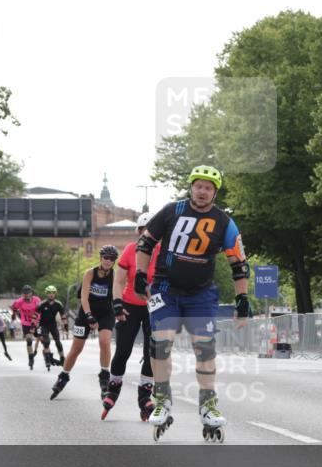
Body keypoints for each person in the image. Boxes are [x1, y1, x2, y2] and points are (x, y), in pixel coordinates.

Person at [133, 165, 252, 442]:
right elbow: (144, 244)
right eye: (198, 185)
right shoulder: (171, 211)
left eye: (208, 188)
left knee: (205, 347)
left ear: (215, 192)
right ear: (191, 187)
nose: (202, 191)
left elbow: (239, 263)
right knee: (160, 343)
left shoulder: (224, 222)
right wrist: (140, 275)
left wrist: (242, 298)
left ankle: (208, 405)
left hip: (200, 293)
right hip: (165, 288)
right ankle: (161, 398)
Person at [103, 212, 161, 421]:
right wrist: (117, 304)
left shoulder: (163, 253)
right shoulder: (130, 250)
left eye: (150, 230)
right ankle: (113, 387)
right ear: (138, 232)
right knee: (123, 349)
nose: (146, 234)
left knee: (151, 351)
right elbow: (118, 281)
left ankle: (145, 394)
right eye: (142, 230)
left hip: (154, 306)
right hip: (129, 305)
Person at [50, 245, 119, 401]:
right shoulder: (90, 273)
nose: (108, 261)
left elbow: (117, 296)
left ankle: (104, 375)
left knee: (105, 342)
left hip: (106, 313)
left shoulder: (114, 276)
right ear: (101, 258)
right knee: (76, 348)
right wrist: (89, 316)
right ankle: (63, 376)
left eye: (112, 259)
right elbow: (84, 298)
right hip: (86, 313)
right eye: (106, 258)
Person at [11, 285, 42, 369]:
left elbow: (40, 310)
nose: (26, 295)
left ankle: (45, 354)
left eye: (28, 293)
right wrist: (14, 314)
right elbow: (14, 307)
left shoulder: (37, 300)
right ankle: (31, 358)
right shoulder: (19, 301)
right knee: (29, 340)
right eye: (24, 293)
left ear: (31, 293)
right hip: (26, 323)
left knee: (43, 339)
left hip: (37, 322)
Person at [36, 285, 66, 371]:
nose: (51, 295)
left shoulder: (58, 304)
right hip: (43, 325)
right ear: (46, 294)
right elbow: (35, 317)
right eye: (49, 293)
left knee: (58, 343)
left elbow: (63, 315)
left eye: (53, 293)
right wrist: (36, 328)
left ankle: (62, 358)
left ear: (55, 294)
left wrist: (65, 325)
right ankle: (47, 359)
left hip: (53, 325)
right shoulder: (42, 304)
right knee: (46, 342)